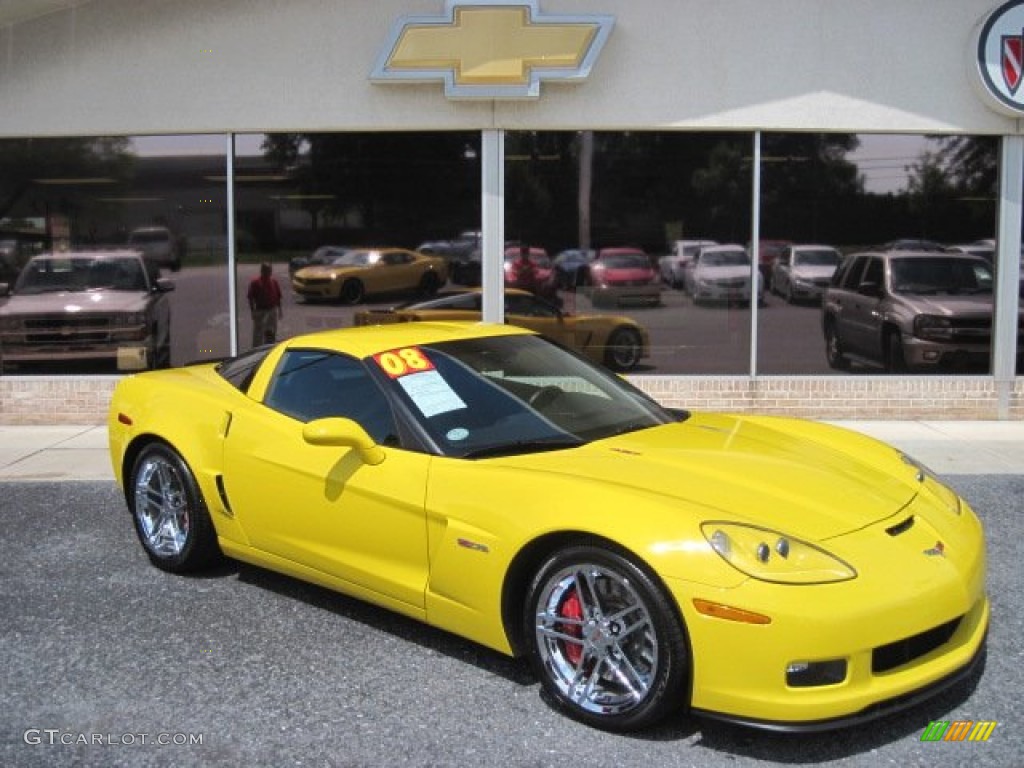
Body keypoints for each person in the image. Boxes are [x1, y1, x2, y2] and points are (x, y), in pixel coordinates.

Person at [247, 261, 283, 346]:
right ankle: (256, 350)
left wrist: (280, 310)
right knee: (258, 334)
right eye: (267, 270)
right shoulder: (255, 282)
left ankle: (269, 348)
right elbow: (250, 297)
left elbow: (278, 296)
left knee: (271, 332)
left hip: (272, 310)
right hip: (260, 310)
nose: (269, 272)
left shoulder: (274, 282)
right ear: (262, 271)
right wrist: (253, 311)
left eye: (270, 270)